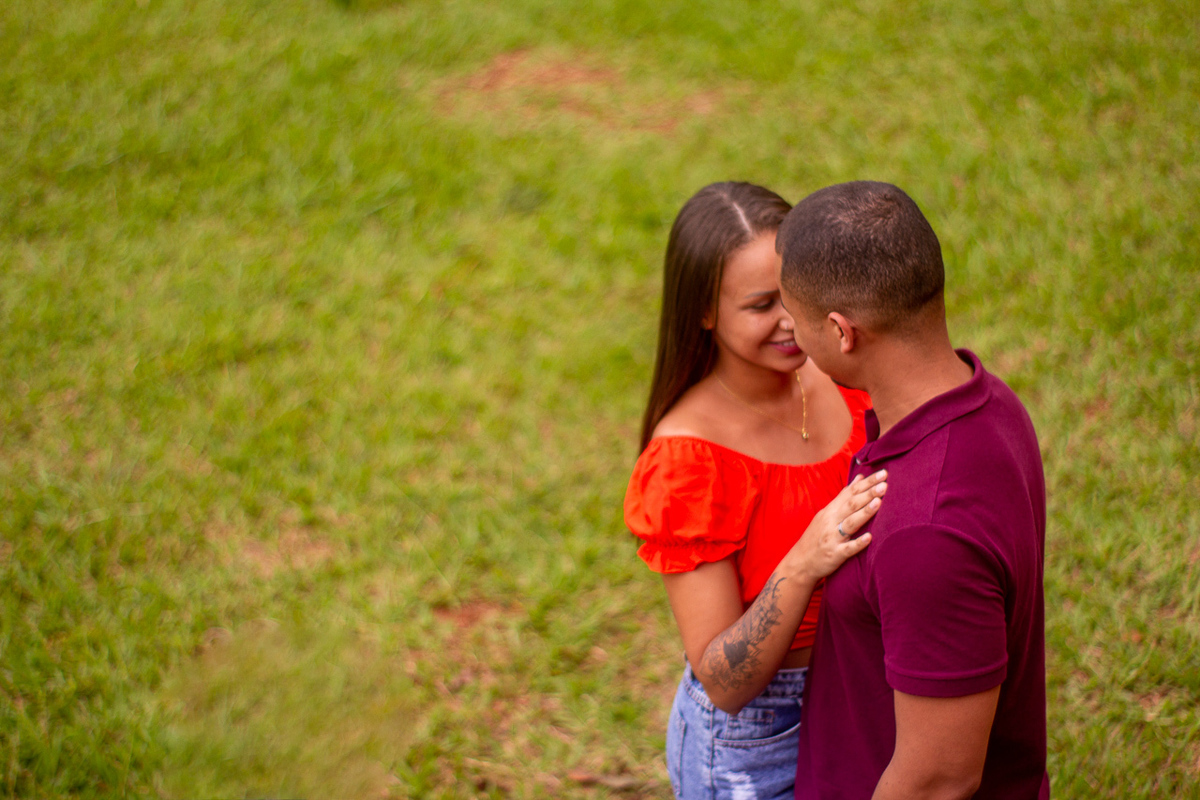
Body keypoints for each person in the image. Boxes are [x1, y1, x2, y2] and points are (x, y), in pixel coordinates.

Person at [776, 181, 1049, 800]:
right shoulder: (989, 403)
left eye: (796, 321)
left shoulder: (923, 530)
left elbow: (939, 779)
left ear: (842, 333)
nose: (791, 334)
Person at [624, 182, 888, 800]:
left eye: (795, 292)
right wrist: (803, 562)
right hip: (762, 740)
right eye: (761, 304)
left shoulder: (843, 373)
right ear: (704, 311)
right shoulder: (689, 459)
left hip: (865, 691)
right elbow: (723, 682)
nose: (792, 322)